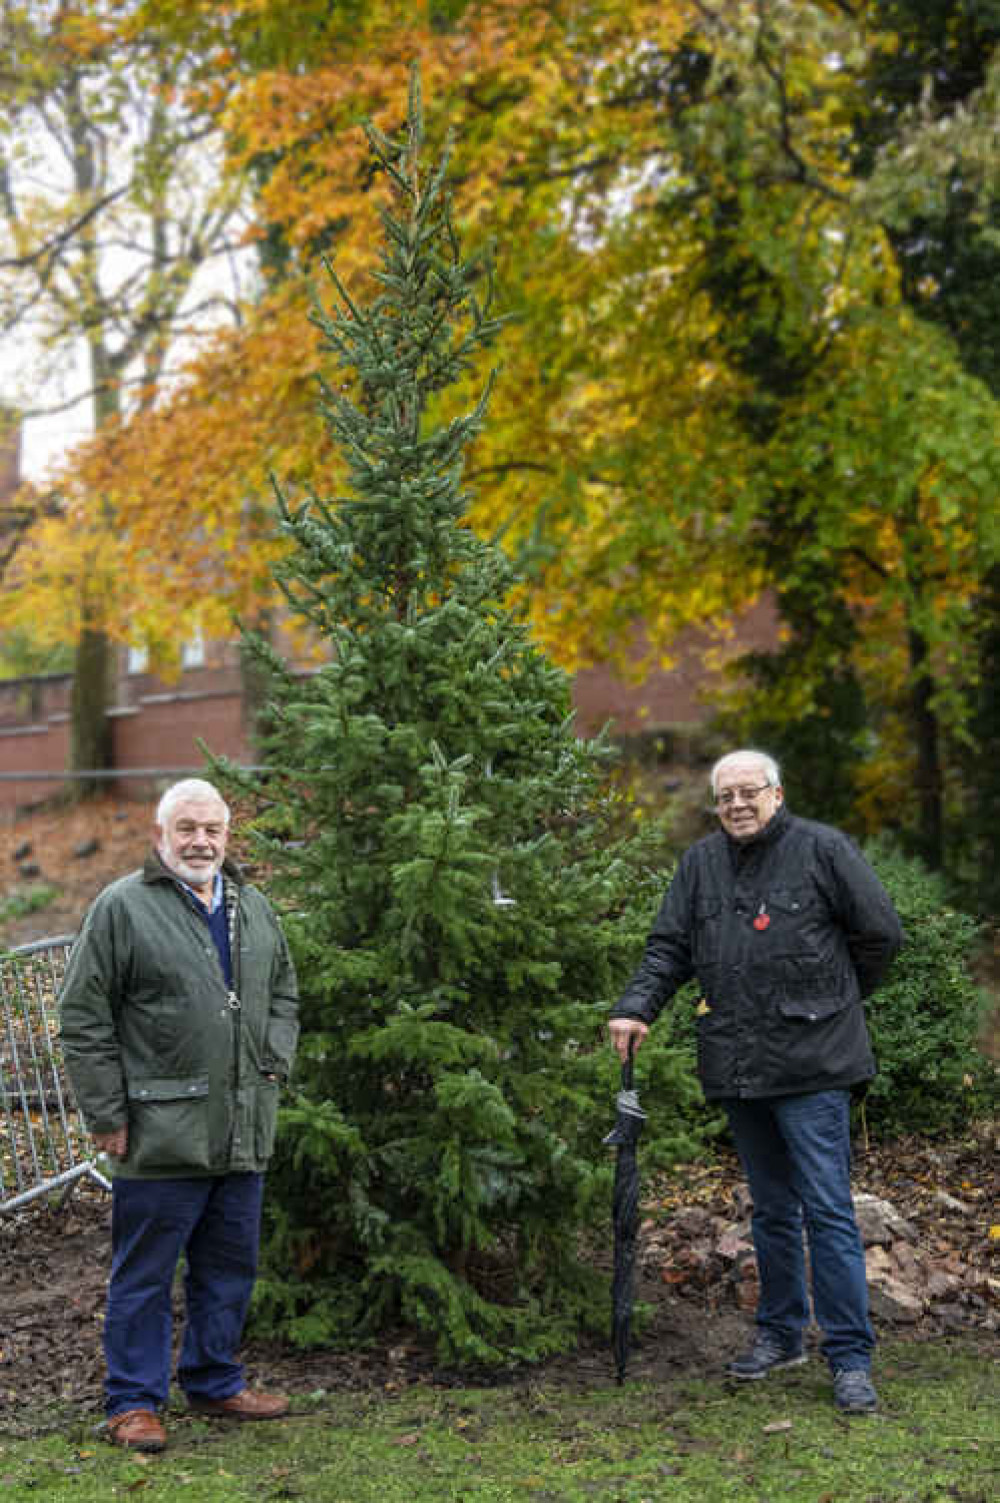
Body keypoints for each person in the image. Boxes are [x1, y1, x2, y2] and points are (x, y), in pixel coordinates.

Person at [608, 750, 903, 1414]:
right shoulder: (700, 865)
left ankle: (850, 1357)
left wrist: (835, 1001)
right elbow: (669, 948)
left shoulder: (823, 849)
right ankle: (781, 1333)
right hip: (741, 1067)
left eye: (750, 791)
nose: (737, 803)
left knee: (827, 1209)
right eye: (725, 795)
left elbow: (881, 934)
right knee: (770, 1209)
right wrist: (636, 1007)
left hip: (815, 1065)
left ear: (777, 792)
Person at [59, 778, 299, 1452]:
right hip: (157, 1130)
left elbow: (284, 992)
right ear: (159, 836)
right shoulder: (122, 908)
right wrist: (105, 1111)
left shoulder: (252, 907)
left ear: (227, 836)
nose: (200, 840)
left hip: (242, 1125)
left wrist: (273, 1063)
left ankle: (214, 1378)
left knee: (229, 1265)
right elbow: (82, 1015)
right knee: (144, 1274)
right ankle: (132, 1401)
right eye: (186, 827)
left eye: (212, 829)